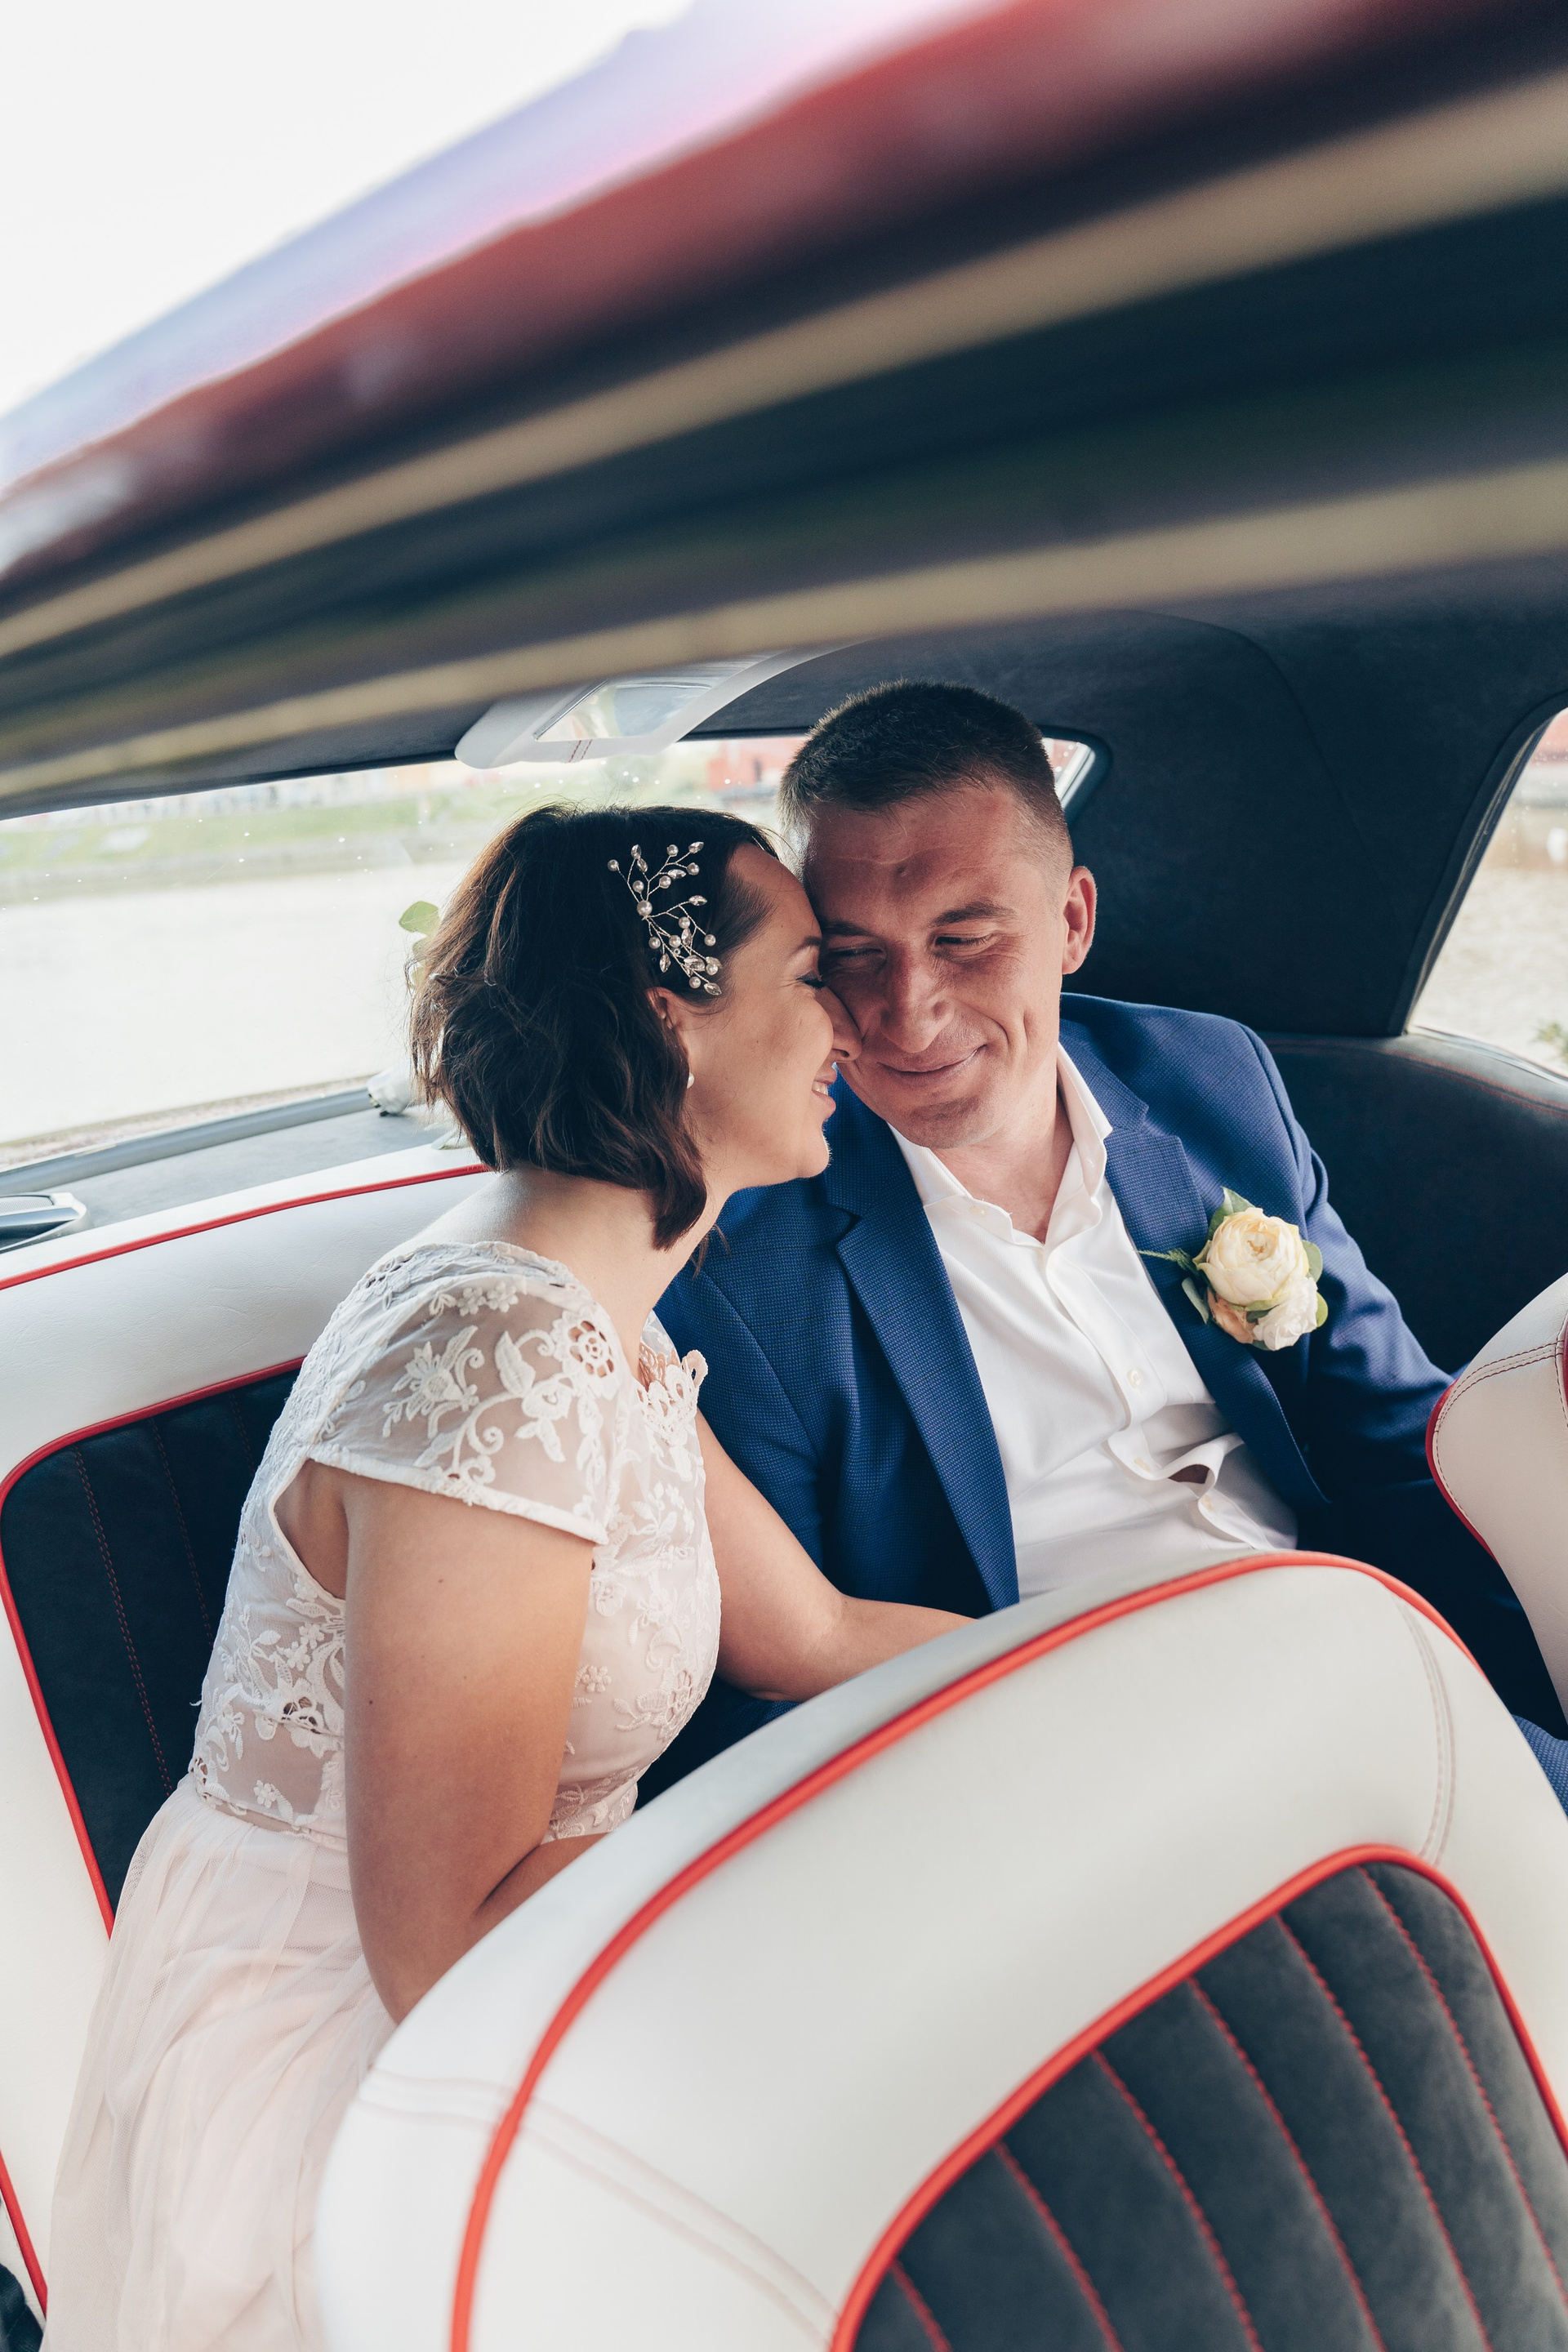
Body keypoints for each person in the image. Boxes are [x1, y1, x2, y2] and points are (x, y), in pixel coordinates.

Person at [42, 805, 967, 2352]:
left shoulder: (594, 1312)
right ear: (672, 1021)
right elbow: (443, 1944)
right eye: (813, 976)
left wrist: (1110, 1672)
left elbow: (815, 1631)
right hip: (349, 2051)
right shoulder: (502, 1354)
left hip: (516, 1971)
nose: (854, 1025)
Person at [648, 680, 1564, 1793]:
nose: (909, 1008)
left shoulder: (1207, 1080)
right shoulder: (743, 1251)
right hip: (1060, 1756)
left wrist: (1521, 1674)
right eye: (854, 956)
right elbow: (772, 1671)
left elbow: (1392, 1427)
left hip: (1350, 1653)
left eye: (964, 938)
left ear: (1073, 922)